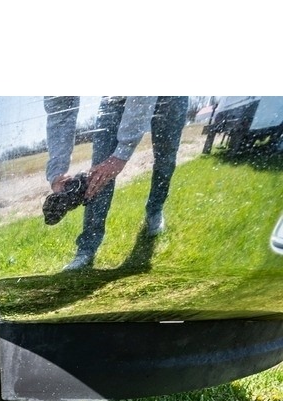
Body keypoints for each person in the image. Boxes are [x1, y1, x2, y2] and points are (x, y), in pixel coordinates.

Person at [44, 96, 188, 271]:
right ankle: (86, 249)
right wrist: (58, 173)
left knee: (165, 157)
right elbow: (60, 112)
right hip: (114, 97)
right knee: (99, 172)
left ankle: (155, 209)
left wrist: (121, 154)